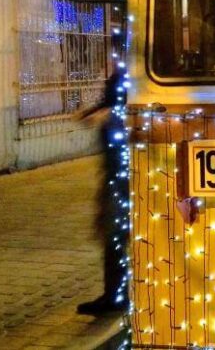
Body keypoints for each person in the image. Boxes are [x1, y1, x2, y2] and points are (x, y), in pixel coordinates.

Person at [76, 67, 130, 315]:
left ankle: (116, 296)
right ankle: (117, 293)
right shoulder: (125, 66)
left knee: (116, 232)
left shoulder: (134, 66)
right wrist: (95, 112)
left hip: (125, 167)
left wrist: (110, 115)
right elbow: (111, 101)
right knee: (115, 233)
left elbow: (131, 105)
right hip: (116, 166)